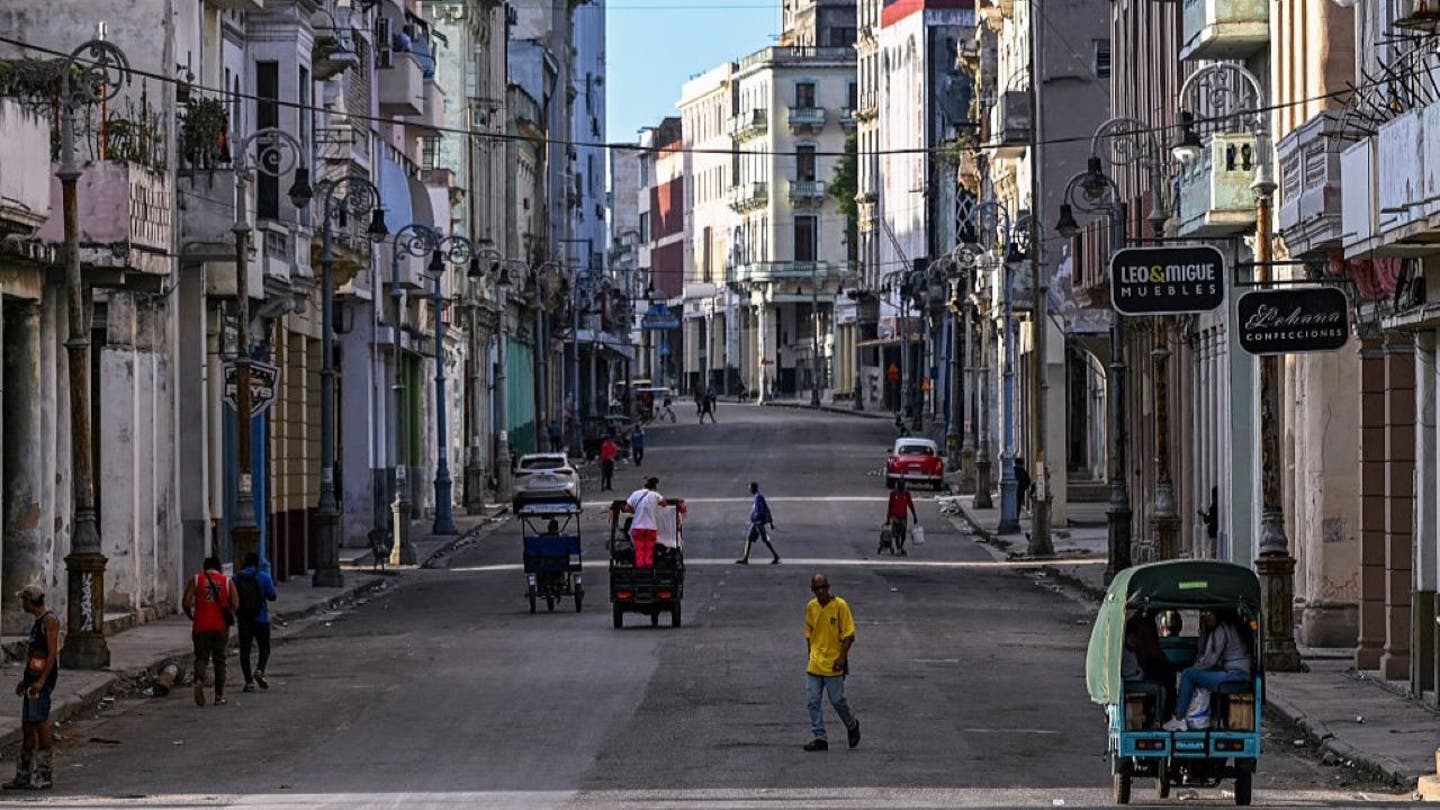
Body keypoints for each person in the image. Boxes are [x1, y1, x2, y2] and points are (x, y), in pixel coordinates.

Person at [3, 585, 59, 790]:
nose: (22, 604)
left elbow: (52, 654)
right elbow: (35, 656)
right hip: (32, 680)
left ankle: (44, 775)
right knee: (28, 726)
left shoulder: (49, 621)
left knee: (40, 723)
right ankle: (23, 776)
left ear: (29, 601)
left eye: (23, 600)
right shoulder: (38, 623)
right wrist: (25, 681)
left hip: (41, 681)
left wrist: (41, 681)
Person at [1163, 609, 1253, 732]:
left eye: (1209, 613)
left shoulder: (1221, 629)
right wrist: (1203, 630)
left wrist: (1192, 669)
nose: (1205, 616)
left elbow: (1209, 661)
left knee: (1188, 675)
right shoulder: (1228, 627)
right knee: (1191, 673)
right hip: (1237, 674)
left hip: (1236, 676)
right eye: (1203, 613)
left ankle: (1179, 719)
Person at [803, 573, 860, 751]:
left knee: (837, 700)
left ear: (829, 587)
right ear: (812, 590)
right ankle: (819, 736)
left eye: (823, 588)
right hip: (815, 662)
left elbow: (849, 635)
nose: (821, 592)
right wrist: (810, 654)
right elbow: (809, 633)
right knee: (813, 700)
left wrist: (842, 658)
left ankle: (852, 725)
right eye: (817, 589)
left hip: (834, 662)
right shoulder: (811, 607)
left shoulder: (840, 606)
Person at [183, 556, 239, 706]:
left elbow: (186, 602)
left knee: (201, 657)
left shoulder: (196, 579)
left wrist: (192, 616)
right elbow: (235, 603)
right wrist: (229, 616)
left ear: (205, 567)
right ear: (219, 567)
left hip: (201, 626)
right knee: (219, 659)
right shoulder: (227, 581)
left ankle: (199, 680)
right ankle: (219, 696)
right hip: (220, 627)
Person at [234, 552, 278, 694]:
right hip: (261, 619)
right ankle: (260, 670)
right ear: (257, 563)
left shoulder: (236, 578)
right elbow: (272, 596)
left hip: (244, 620)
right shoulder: (264, 576)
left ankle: (248, 682)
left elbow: (231, 598)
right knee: (264, 648)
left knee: (245, 651)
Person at [1122, 614, 1174, 726]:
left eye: (1135, 637)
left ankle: (1157, 717)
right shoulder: (1125, 654)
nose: (1134, 640)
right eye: (1131, 637)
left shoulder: (1132, 652)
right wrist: (1140, 675)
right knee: (1160, 690)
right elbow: (1127, 674)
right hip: (1130, 683)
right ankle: (1158, 720)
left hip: (1137, 679)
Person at [623, 477, 671, 568]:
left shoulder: (635, 494)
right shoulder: (655, 495)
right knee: (649, 549)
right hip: (651, 528)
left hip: (637, 527)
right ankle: (648, 567)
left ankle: (640, 568)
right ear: (654, 487)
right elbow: (664, 503)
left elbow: (627, 508)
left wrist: (636, 510)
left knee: (639, 549)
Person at [736, 481, 780, 565]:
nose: (749, 490)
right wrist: (770, 522)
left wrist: (767, 522)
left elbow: (763, 510)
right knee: (749, 538)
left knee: (765, 540)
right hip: (756, 523)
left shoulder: (759, 498)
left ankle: (775, 555)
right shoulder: (758, 497)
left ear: (753, 488)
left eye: (750, 488)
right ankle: (745, 558)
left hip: (758, 523)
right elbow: (766, 510)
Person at [886, 480, 919, 556]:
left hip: (903, 516)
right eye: (900, 485)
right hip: (895, 516)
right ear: (897, 485)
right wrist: (888, 518)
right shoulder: (893, 494)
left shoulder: (906, 494)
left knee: (903, 533)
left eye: (902, 485)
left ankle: (901, 547)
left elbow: (911, 505)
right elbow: (890, 506)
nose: (901, 487)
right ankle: (898, 548)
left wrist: (914, 516)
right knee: (896, 533)